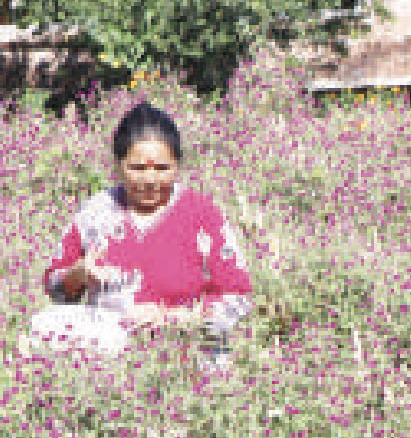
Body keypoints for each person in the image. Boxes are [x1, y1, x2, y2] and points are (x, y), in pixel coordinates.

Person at [23, 103, 254, 365]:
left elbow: (238, 296)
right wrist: (78, 274)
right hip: (111, 347)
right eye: (138, 168)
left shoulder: (202, 215)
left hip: (186, 348)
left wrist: (172, 317)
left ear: (177, 165)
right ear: (118, 165)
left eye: (162, 168)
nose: (150, 180)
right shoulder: (96, 212)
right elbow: (56, 289)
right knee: (43, 326)